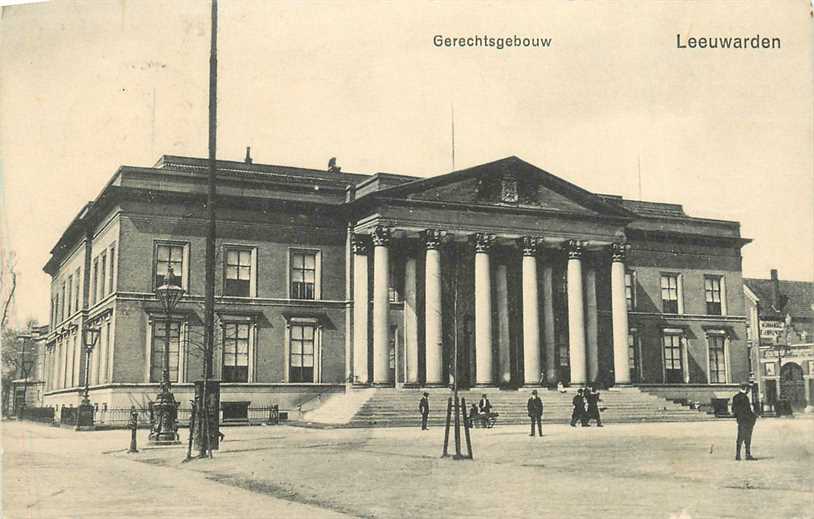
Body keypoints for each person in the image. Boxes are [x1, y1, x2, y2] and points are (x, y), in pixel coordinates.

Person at [732, 383, 757, 460]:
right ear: (746, 388)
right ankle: (747, 454)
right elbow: (747, 411)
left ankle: (738, 455)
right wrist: (753, 417)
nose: (749, 391)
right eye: (748, 389)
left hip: (740, 421)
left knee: (740, 437)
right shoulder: (745, 398)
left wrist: (738, 418)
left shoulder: (735, 397)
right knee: (747, 438)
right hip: (747, 421)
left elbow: (734, 410)